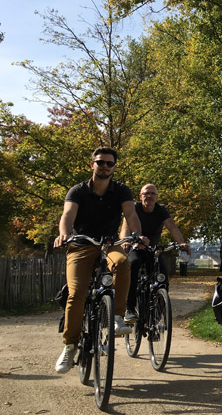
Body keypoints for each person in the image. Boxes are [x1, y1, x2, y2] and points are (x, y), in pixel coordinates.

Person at [52, 147, 146, 373]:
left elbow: (131, 215)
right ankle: (70, 345)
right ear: (92, 165)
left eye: (109, 163)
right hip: (81, 245)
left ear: (114, 167)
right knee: (76, 294)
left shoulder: (122, 190)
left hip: (109, 244)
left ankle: (117, 317)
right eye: (100, 162)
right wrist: (64, 234)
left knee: (123, 263)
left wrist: (137, 234)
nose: (104, 166)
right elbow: (67, 215)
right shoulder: (78, 191)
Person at [120, 183, 191, 322]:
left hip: (153, 250)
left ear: (157, 197)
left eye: (153, 194)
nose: (149, 196)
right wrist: (125, 241)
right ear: (140, 196)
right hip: (136, 248)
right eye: (146, 193)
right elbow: (125, 227)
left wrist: (181, 242)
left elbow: (172, 227)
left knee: (162, 278)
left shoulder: (161, 210)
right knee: (133, 265)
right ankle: (130, 308)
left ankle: (156, 316)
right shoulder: (134, 208)